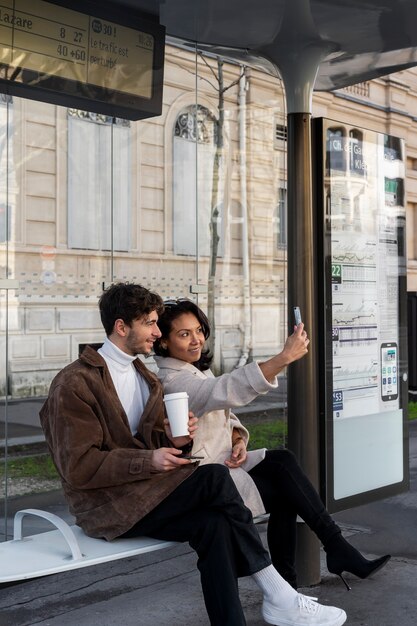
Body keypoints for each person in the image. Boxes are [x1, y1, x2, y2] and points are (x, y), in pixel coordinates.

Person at [39, 283, 347, 626]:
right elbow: (77, 466)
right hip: (107, 507)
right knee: (214, 476)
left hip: (146, 492)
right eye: (150, 323)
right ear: (121, 327)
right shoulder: (74, 382)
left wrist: (172, 439)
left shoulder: (146, 378)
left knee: (213, 524)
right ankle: (279, 593)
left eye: (157, 323)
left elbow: (152, 442)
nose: (157, 332)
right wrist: (151, 459)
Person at [153, 298, 391, 591]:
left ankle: (326, 554)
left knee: (282, 461)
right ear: (163, 342)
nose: (196, 339)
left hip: (225, 464)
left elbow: (224, 413)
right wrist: (282, 358)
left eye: (198, 330)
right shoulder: (172, 381)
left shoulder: (194, 371)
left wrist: (238, 439)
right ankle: (315, 565)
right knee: (284, 489)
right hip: (207, 482)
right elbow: (221, 391)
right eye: (184, 333)